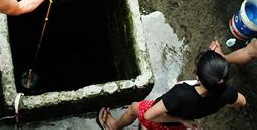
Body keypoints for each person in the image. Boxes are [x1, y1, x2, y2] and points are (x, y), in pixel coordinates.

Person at [97, 43, 246, 129]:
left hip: (171, 120)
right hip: (182, 123)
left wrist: (181, 119)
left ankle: (114, 126)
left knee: (135, 108)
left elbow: (149, 114)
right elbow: (242, 102)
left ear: (198, 77)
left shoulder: (181, 94)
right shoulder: (227, 93)